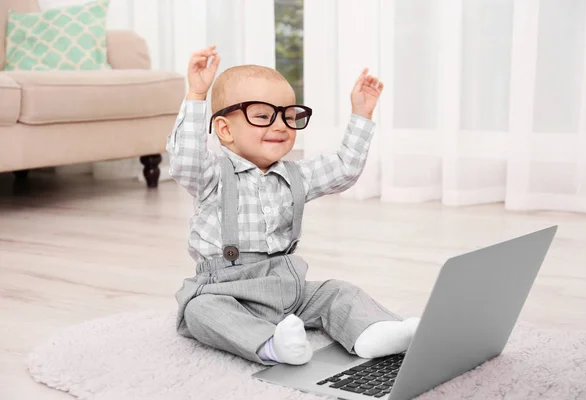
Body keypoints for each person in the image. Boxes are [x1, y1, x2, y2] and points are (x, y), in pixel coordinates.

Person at [167, 45, 420, 366]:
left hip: (288, 287)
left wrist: (362, 114)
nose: (280, 125)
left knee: (338, 291)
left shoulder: (296, 175)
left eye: (288, 116)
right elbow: (185, 158)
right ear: (226, 130)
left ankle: (374, 332)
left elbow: (345, 168)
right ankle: (271, 344)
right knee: (200, 311)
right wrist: (196, 94)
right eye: (262, 115)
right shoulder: (212, 175)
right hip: (226, 289)